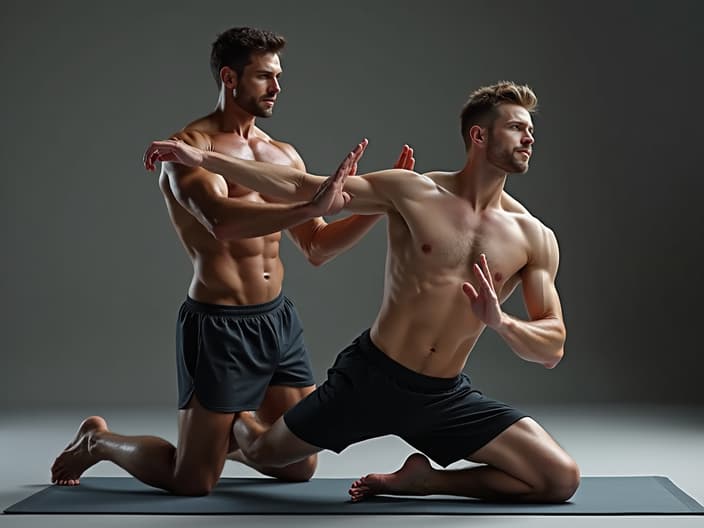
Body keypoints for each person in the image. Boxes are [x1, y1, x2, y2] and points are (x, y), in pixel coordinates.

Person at [143, 81, 580, 503]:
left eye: (531, 130)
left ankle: (424, 481)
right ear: (479, 135)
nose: (529, 138)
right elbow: (303, 186)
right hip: (370, 380)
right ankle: (233, 421)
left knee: (559, 479)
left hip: (442, 395)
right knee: (265, 455)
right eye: (517, 127)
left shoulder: (535, 237)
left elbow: (552, 346)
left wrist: (500, 321)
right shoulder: (414, 191)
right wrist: (202, 157)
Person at [50, 27, 413, 496]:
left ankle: (222, 432)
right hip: (219, 325)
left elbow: (317, 247)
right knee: (192, 480)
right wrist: (309, 206)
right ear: (229, 77)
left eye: (278, 76)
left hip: (276, 320)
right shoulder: (186, 149)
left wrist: (381, 206)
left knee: (299, 464)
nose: (277, 87)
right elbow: (220, 221)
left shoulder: (282, 154)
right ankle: (98, 441)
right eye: (264, 76)